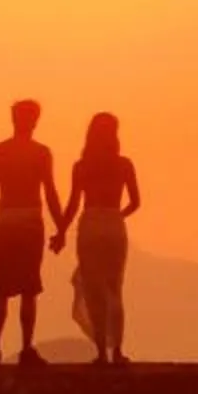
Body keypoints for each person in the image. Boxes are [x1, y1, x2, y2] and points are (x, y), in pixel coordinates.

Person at [54, 111, 142, 365]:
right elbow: (136, 202)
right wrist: (117, 216)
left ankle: (102, 351)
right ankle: (118, 352)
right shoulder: (124, 164)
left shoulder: (81, 166)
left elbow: (72, 204)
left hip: (90, 224)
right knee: (115, 289)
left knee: (94, 290)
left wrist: (61, 232)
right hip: (114, 225)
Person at [0, 99, 62, 365]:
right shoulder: (41, 153)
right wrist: (61, 227)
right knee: (29, 288)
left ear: (13, 119)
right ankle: (26, 348)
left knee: (0, 289)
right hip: (29, 220)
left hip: (5, 220)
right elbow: (49, 192)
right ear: (35, 121)